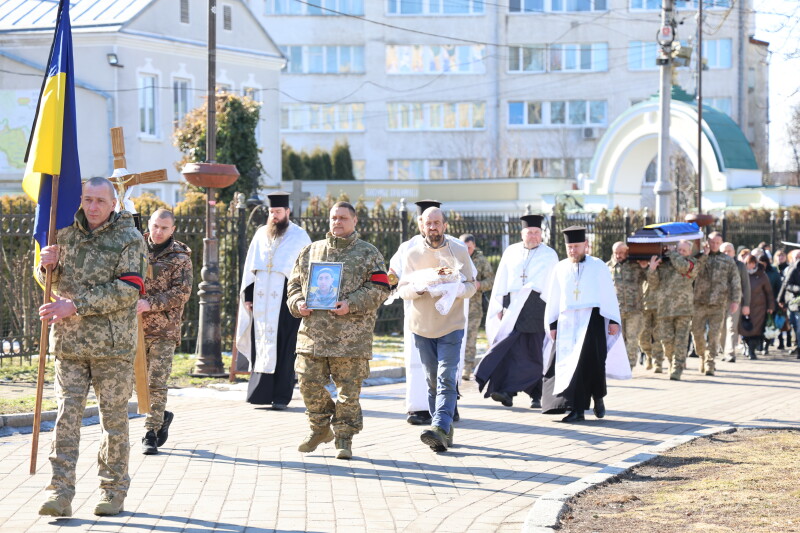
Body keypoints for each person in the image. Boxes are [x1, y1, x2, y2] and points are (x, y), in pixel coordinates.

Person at [36, 177, 146, 517]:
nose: (93, 206)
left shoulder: (130, 238)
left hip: (111, 348)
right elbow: (49, 283)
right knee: (65, 418)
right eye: (88, 199)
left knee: (113, 422)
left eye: (100, 200)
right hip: (69, 344)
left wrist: (76, 305)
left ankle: (112, 491)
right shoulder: (64, 235)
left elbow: (129, 288)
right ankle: (60, 492)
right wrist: (46, 266)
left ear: (114, 203)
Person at [287, 201, 390, 460]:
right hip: (313, 335)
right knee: (307, 383)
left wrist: (351, 304)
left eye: (343, 218)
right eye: (334, 218)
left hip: (351, 339)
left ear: (354, 221)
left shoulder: (368, 253)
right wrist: (298, 303)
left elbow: (380, 289)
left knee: (348, 392)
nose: (337, 222)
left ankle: (344, 437)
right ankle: (320, 428)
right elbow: (294, 285)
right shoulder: (311, 251)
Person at [398, 207, 476, 452]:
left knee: (446, 377)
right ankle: (443, 431)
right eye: (428, 223)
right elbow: (402, 290)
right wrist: (419, 288)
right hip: (422, 326)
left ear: (445, 226)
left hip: (451, 325)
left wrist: (456, 289)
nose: (432, 227)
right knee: (432, 380)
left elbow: (472, 284)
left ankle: (440, 427)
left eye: (437, 223)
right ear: (422, 225)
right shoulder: (411, 253)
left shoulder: (459, 250)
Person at [541, 226, 630, 423]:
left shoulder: (598, 266)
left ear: (585, 246)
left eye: (576, 246)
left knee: (593, 365)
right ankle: (576, 409)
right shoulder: (560, 267)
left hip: (593, 322)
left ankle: (598, 397)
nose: (573, 250)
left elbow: (608, 295)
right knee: (570, 366)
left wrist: (614, 320)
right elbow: (554, 298)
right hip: (567, 325)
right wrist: (553, 324)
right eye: (569, 247)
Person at [236, 192, 311, 409]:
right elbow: (250, 269)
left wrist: (300, 300)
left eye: (278, 212)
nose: (274, 216)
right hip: (261, 302)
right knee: (261, 345)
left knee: (284, 349)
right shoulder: (261, 234)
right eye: (271, 212)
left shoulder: (299, 236)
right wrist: (248, 297)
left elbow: (305, 271)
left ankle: (281, 396)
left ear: (287, 212)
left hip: (286, 303)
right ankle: (260, 394)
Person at [476, 214, 558, 409]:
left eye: (537, 232)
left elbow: (553, 286)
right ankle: (506, 391)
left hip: (538, 308)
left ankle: (535, 394)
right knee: (510, 349)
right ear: (522, 234)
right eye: (530, 232)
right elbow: (502, 280)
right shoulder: (511, 252)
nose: (533, 236)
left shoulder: (549, 254)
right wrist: (502, 306)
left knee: (535, 351)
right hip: (513, 308)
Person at [138, 209, 192, 455]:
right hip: (134, 327)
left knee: (156, 382)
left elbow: (182, 292)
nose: (158, 232)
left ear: (173, 230)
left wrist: (151, 303)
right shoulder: (134, 247)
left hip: (164, 329)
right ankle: (162, 415)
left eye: (164, 228)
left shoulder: (180, 256)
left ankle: (150, 432)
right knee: (134, 382)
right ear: (149, 225)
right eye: (155, 226)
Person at [692, 232, 742, 376]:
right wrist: (704, 256)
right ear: (707, 242)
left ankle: (710, 362)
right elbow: (693, 272)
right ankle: (702, 355)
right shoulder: (700, 258)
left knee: (714, 336)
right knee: (697, 334)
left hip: (718, 303)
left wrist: (735, 300)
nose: (714, 245)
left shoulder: (727, 260)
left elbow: (735, 281)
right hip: (699, 303)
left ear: (721, 243)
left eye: (717, 243)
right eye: (712, 242)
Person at [648, 241, 698, 380]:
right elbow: (653, 284)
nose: (681, 252)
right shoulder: (665, 263)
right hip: (665, 309)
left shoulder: (692, 263)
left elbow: (682, 267)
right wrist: (652, 269)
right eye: (679, 249)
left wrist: (672, 253)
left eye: (684, 250)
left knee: (681, 341)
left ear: (689, 252)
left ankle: (677, 368)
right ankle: (671, 361)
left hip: (683, 309)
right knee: (667, 341)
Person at [606, 242, 648, 369]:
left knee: (632, 338)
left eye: (621, 253)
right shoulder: (607, 267)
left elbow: (652, 280)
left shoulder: (636, 266)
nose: (618, 256)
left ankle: (629, 365)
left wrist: (646, 268)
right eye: (616, 253)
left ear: (627, 253)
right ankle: (618, 364)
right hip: (616, 311)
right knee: (618, 339)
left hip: (634, 309)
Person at [459, 233, 495, 380]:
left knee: (470, 338)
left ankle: (467, 368)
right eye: (463, 247)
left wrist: (480, 285)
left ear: (474, 246)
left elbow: (491, 280)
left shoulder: (481, 261)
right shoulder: (455, 258)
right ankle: (456, 366)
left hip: (474, 307)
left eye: (469, 247)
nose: (466, 251)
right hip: (457, 306)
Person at [721, 242, 751, 363]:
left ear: (734, 252)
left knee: (732, 327)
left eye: (729, 251)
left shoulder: (740, 266)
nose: (727, 253)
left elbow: (746, 285)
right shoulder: (716, 264)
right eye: (724, 251)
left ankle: (730, 353)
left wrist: (746, 304)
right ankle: (724, 350)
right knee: (721, 329)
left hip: (734, 301)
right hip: (718, 301)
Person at [740, 254, 775, 359]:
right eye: (747, 263)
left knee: (755, 330)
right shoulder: (741, 274)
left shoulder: (762, 275)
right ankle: (746, 346)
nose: (749, 265)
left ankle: (752, 351)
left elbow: (769, 292)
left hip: (759, 308)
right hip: (744, 305)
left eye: (751, 263)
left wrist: (771, 306)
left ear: (755, 263)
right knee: (744, 329)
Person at [638, 259, 664, 372]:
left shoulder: (664, 267)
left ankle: (658, 361)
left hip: (660, 305)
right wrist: (644, 267)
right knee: (643, 336)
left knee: (658, 336)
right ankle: (648, 355)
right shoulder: (642, 267)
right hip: (645, 305)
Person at [777, 249, 800, 358]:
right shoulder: (793, 268)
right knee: (796, 326)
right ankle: (797, 347)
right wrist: (780, 299)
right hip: (795, 302)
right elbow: (786, 284)